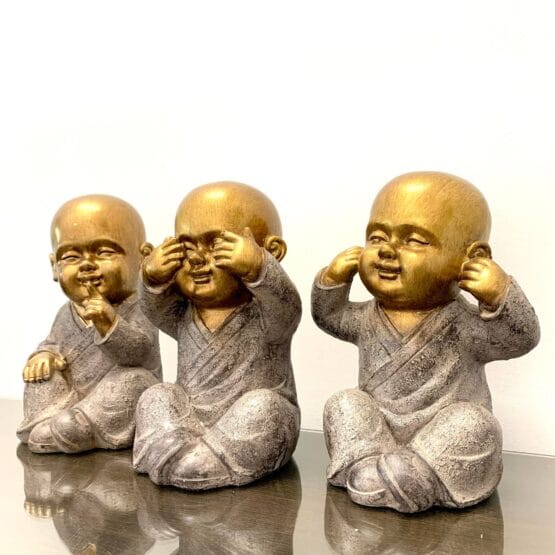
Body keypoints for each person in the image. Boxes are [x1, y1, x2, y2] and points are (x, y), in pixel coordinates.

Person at [312, 171, 540, 512]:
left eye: (415, 241)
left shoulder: (464, 324)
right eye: (376, 237)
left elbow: (519, 339)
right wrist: (332, 280)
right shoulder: (367, 317)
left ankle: (415, 475)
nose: (386, 251)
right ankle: (368, 466)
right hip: (378, 432)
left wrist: (501, 294)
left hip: (440, 438)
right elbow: (329, 317)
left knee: (474, 424)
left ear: (473, 259)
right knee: (344, 403)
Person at [134, 181, 301, 490]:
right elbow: (154, 309)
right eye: (186, 248)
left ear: (272, 251)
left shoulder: (266, 315)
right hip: (190, 420)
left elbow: (288, 306)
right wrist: (151, 277)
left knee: (266, 408)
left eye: (216, 245)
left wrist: (259, 269)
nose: (197, 259)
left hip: (244, 426)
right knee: (156, 395)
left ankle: (200, 461)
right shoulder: (183, 314)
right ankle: (175, 452)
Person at [17, 195, 161, 453]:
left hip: (107, 405)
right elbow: (53, 344)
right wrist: (44, 355)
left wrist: (109, 323)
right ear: (54, 266)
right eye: (71, 256)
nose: (86, 265)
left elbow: (138, 353)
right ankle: (45, 423)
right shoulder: (67, 312)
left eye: (104, 252)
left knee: (136, 381)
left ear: (143, 257)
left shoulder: (142, 306)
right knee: (42, 374)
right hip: (69, 402)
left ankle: (76, 428)